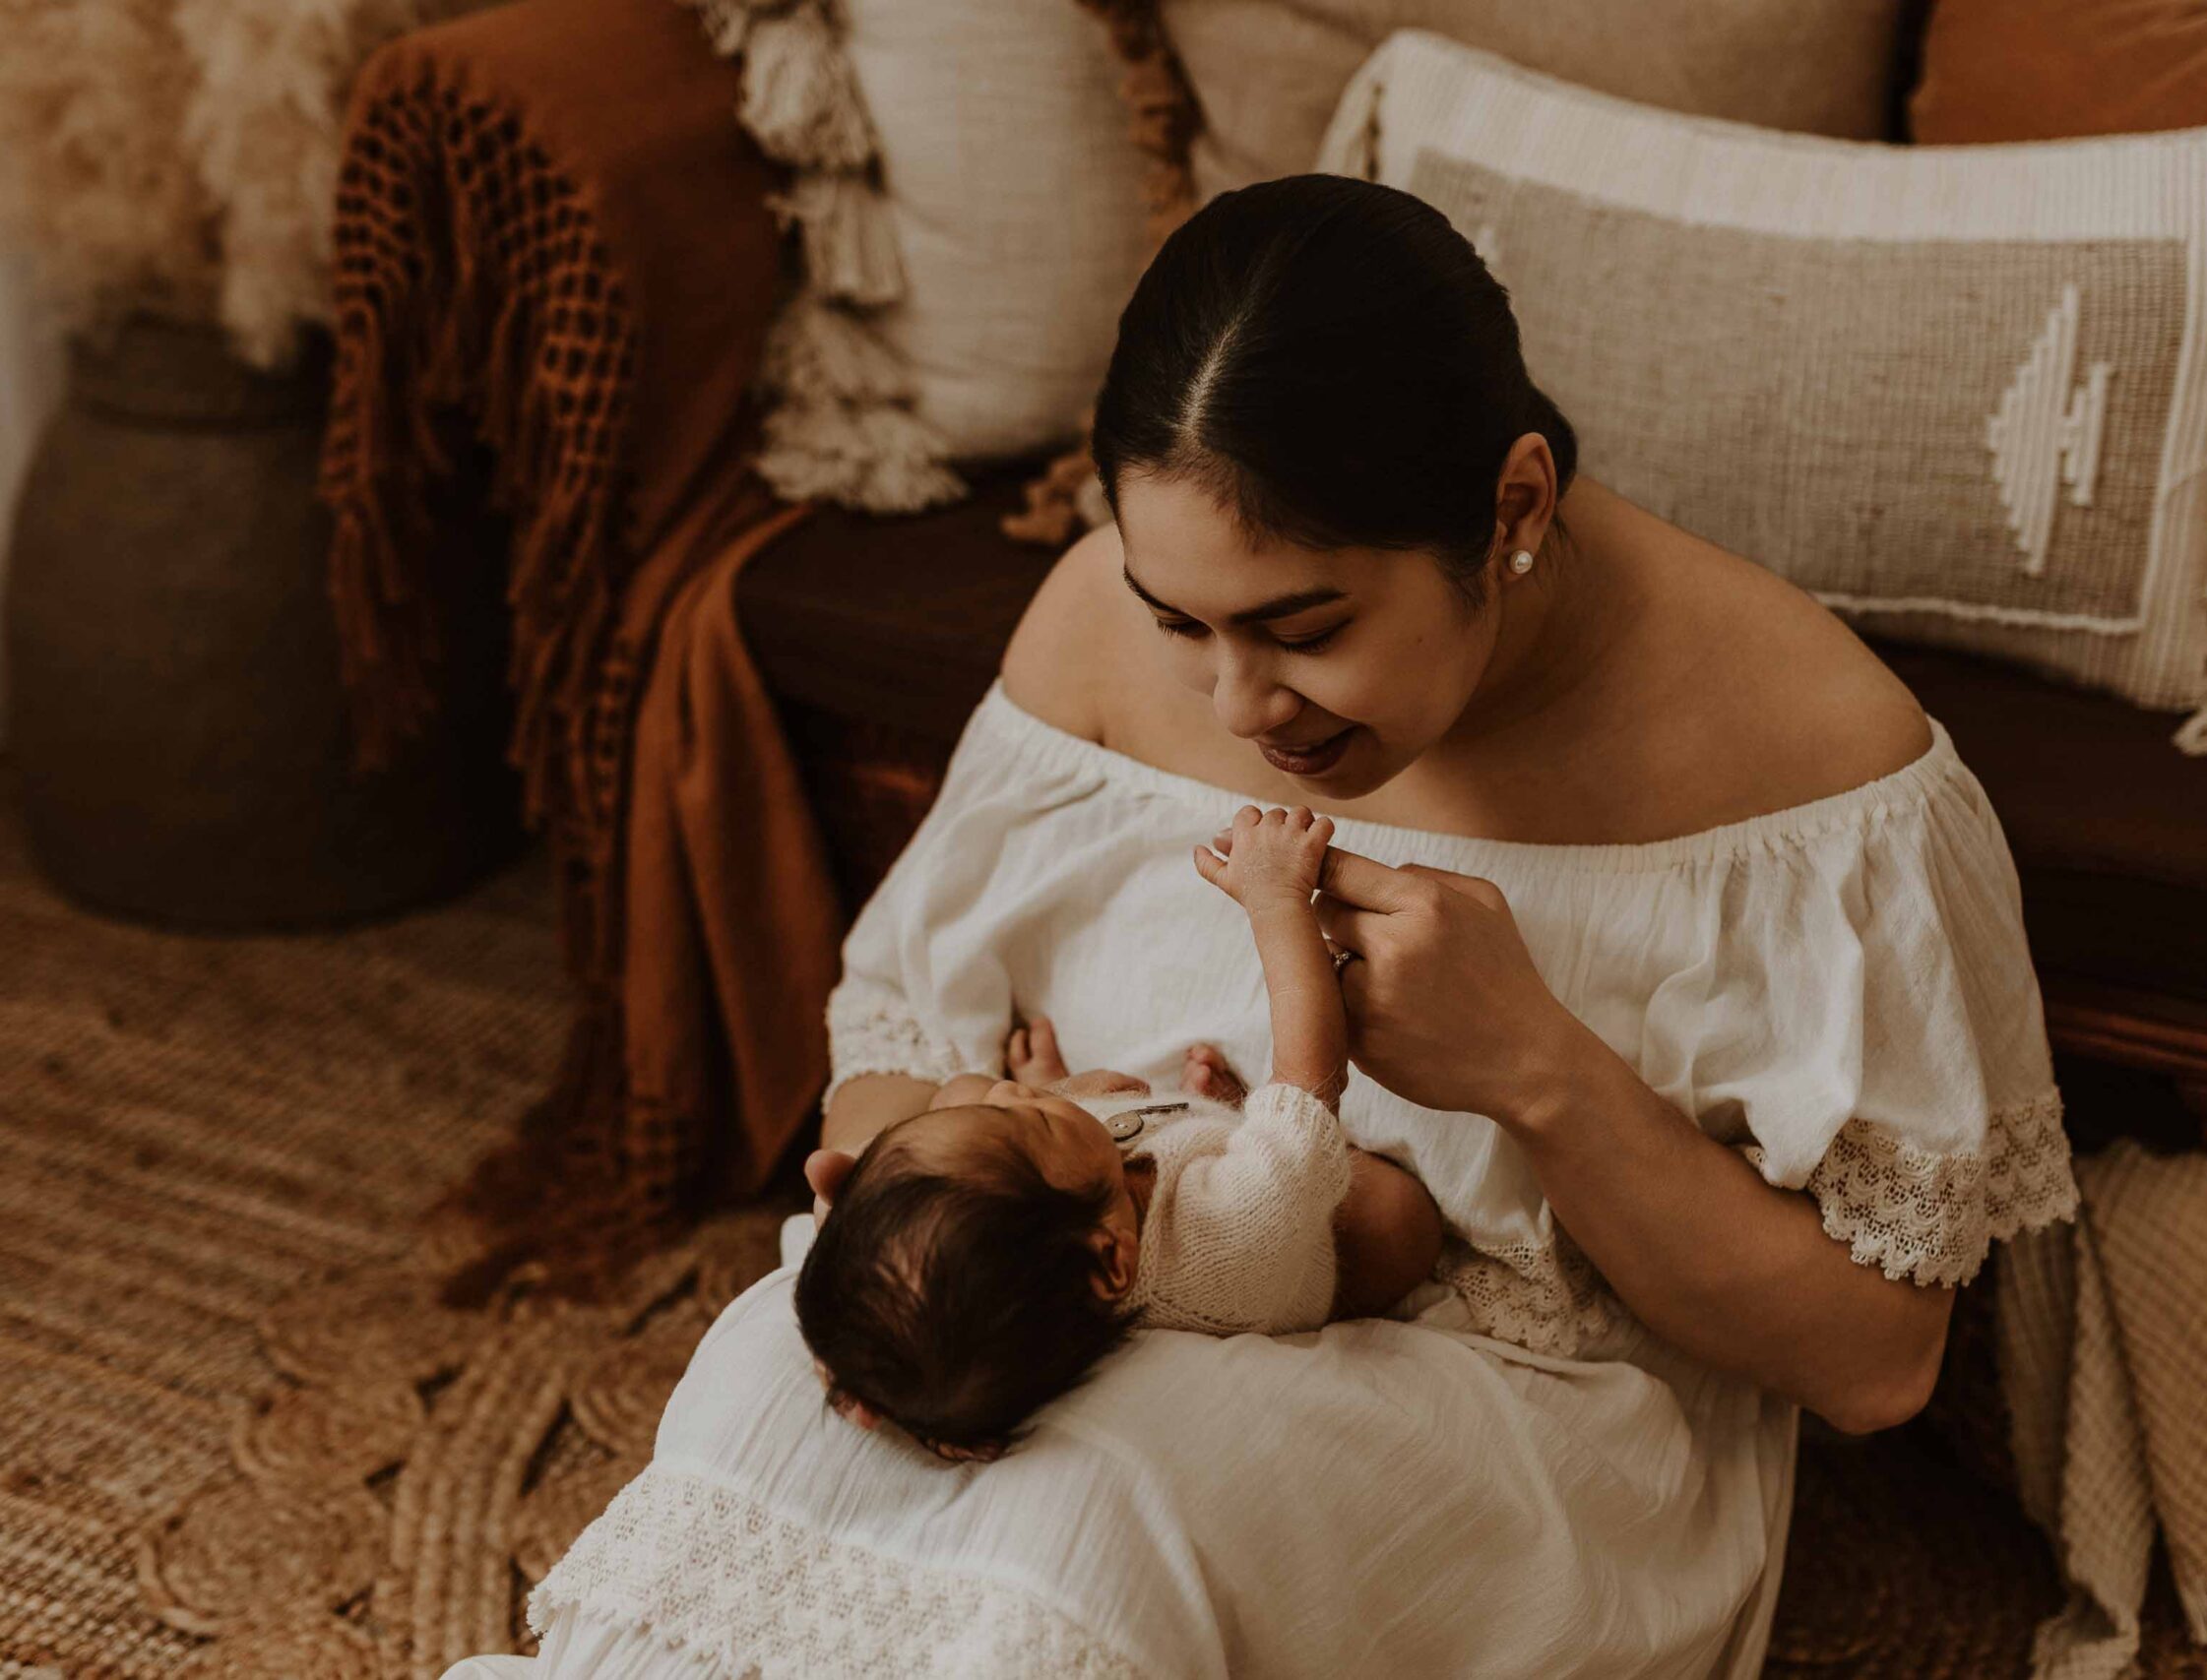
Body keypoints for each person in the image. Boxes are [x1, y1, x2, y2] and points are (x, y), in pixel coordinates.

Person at [522, 173, 2078, 1677]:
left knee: (1108, 1511)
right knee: (757, 1392)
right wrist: (949, 1157)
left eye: (1306, 628)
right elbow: (892, 1039)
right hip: (1059, 1294)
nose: (1236, 705)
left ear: (1513, 506)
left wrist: (1536, 1068)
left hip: (1493, 1400)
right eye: (1178, 620)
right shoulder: (1090, 622)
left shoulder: (1817, 768)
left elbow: (1875, 1361)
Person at [792, 805, 1443, 1464]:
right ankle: (1249, 1133)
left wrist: (1048, 1094)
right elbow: (1309, 1068)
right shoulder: (1234, 1233)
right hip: (1325, 1228)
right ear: (1113, 1260)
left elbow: (984, 1125)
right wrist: (1277, 902)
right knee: (1397, 1220)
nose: (1009, 1091)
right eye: (1032, 1117)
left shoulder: (1060, 1216)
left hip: (1141, 1166)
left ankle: (1209, 1117)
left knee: (994, 1105)